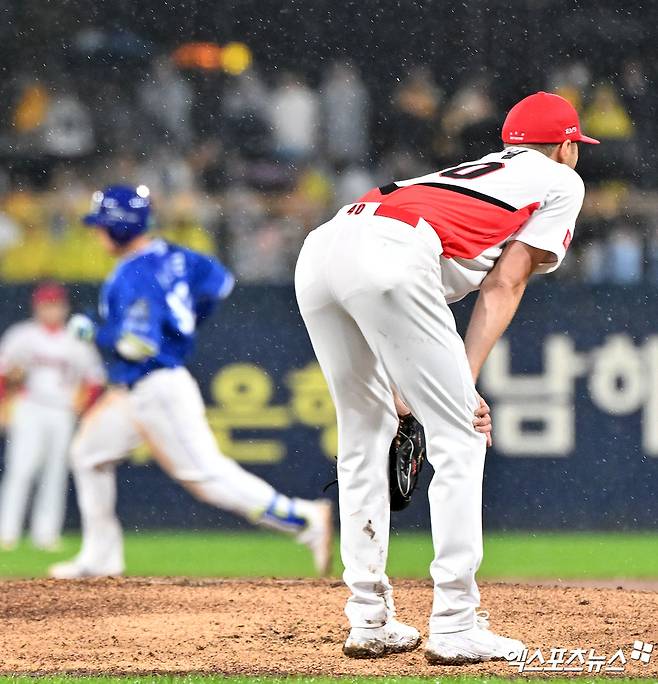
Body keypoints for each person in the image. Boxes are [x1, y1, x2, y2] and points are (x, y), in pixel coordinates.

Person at [294, 92, 597, 663]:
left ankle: (368, 616)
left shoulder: (473, 172)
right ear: (565, 146)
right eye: (574, 146)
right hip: (392, 250)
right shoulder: (562, 181)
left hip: (326, 244)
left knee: (364, 433)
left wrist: (414, 389)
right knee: (460, 435)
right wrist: (466, 383)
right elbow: (504, 285)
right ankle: (456, 622)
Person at [49, 185, 332, 579]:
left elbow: (136, 345)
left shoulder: (134, 273)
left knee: (208, 477)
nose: (97, 233)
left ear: (117, 228)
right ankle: (100, 557)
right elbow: (220, 282)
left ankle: (302, 518)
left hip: (156, 387)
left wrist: (92, 332)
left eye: (102, 226)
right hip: (133, 392)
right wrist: (184, 321)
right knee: (88, 455)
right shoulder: (174, 256)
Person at [0, 282, 105, 550]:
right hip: (29, 405)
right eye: (46, 304)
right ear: (37, 306)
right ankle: (6, 531)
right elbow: (3, 373)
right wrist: (3, 403)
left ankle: (46, 534)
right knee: (21, 469)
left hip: (62, 409)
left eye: (56, 304)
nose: (51, 309)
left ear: (64, 307)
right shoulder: (22, 335)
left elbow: (95, 378)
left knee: (55, 473)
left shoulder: (77, 337)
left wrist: (85, 407)